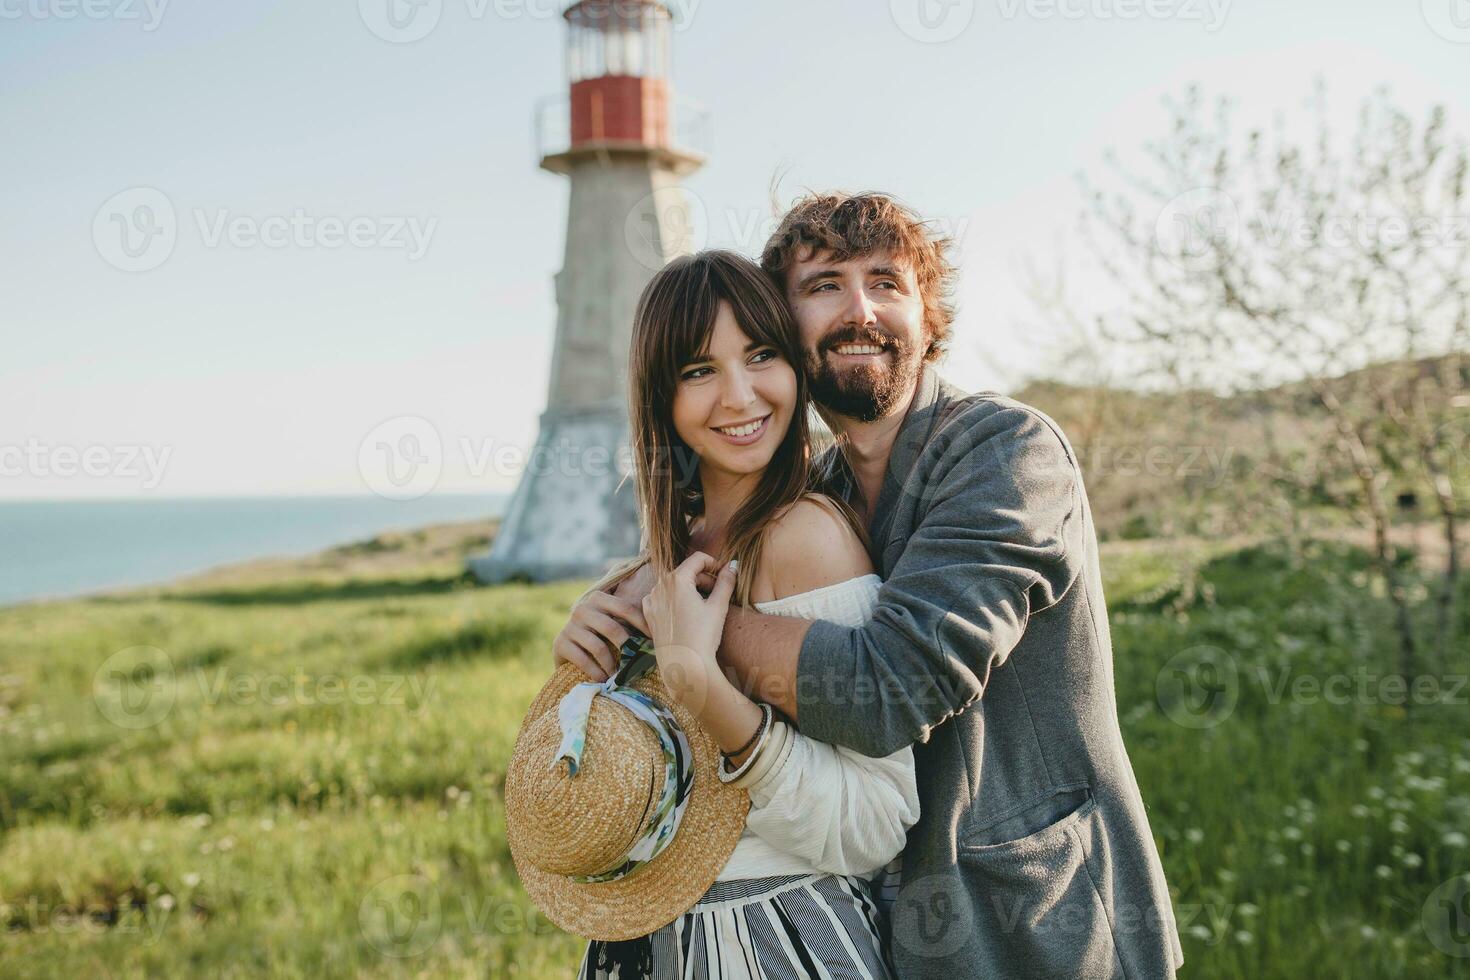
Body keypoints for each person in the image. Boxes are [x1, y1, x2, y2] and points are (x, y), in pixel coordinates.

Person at [559, 193, 1184, 978]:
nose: (861, 309)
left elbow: (894, 684)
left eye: (887, 282)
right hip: (876, 928)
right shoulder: (817, 489)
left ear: (928, 314)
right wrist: (617, 614)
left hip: (1037, 928)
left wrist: (676, 636)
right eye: (824, 285)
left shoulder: (1006, 452)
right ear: (786, 326)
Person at [550, 248, 920, 978]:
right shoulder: (661, 561)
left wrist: (710, 695)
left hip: (776, 939)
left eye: (760, 356)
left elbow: (880, 822)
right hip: (648, 940)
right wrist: (579, 684)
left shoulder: (804, 539)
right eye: (698, 371)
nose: (740, 396)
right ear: (661, 396)